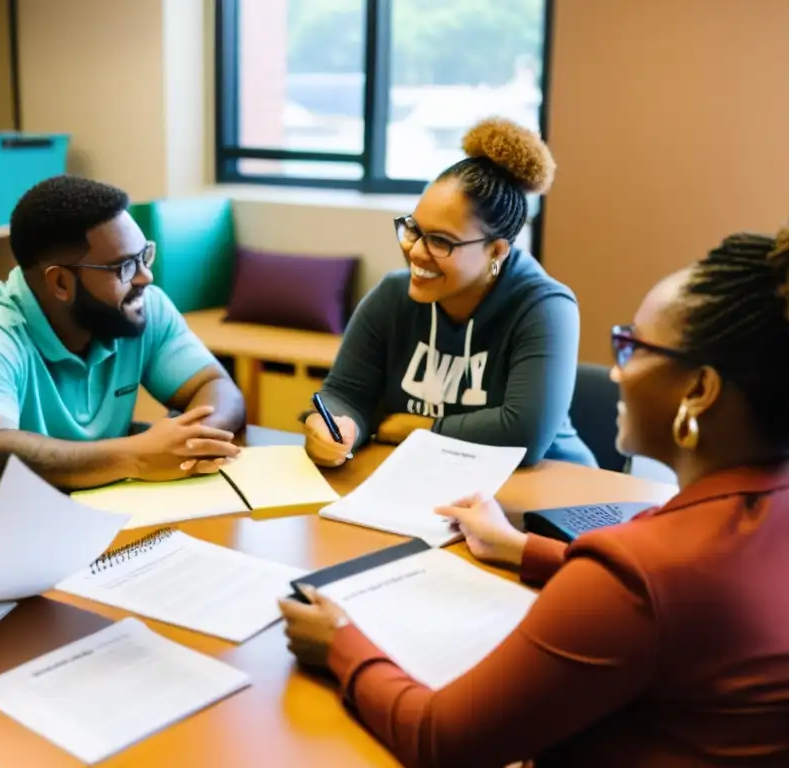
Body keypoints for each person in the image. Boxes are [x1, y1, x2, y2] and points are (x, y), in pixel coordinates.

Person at [280, 226, 789, 766]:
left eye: (631, 345)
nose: (616, 369)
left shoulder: (638, 574)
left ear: (699, 391)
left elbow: (443, 740)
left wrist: (341, 643)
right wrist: (521, 548)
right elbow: (676, 602)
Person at [0, 175, 246, 491]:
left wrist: (185, 442)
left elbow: (216, 387)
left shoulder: (139, 307)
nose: (145, 277)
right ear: (61, 282)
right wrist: (137, 456)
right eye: (124, 267)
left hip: (100, 509)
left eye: (144, 255)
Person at [304, 118, 594, 469]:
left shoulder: (545, 308)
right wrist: (334, 424)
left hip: (551, 493)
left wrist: (420, 428)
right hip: (436, 483)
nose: (415, 252)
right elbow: (345, 393)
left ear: (496, 251)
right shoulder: (392, 296)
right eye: (414, 229)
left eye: (440, 241)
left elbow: (523, 435)